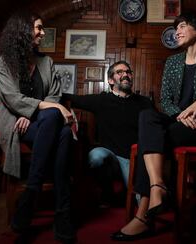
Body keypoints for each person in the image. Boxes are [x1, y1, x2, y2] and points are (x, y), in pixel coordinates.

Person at [111, 11, 196, 241]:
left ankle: (142, 217)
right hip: (178, 121)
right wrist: (180, 115)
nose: (176, 31)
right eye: (176, 27)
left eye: (182, 26)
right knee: (147, 115)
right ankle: (158, 186)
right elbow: (166, 100)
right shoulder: (173, 61)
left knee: (152, 140)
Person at [0, 10, 75, 243]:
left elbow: (55, 94)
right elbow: (11, 97)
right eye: (38, 28)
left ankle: (32, 190)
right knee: (61, 129)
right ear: (22, 32)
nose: (42, 33)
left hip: (40, 122)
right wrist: (41, 110)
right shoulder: (2, 62)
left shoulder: (46, 61)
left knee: (59, 126)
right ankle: (63, 212)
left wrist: (37, 113)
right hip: (16, 124)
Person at [63, 61, 153, 205]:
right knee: (96, 156)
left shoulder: (144, 103)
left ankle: (125, 193)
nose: (125, 75)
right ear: (110, 80)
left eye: (128, 72)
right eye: (120, 72)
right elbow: (68, 98)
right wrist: (54, 104)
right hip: (109, 155)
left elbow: (154, 129)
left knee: (139, 201)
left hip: (134, 158)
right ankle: (107, 192)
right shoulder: (101, 100)